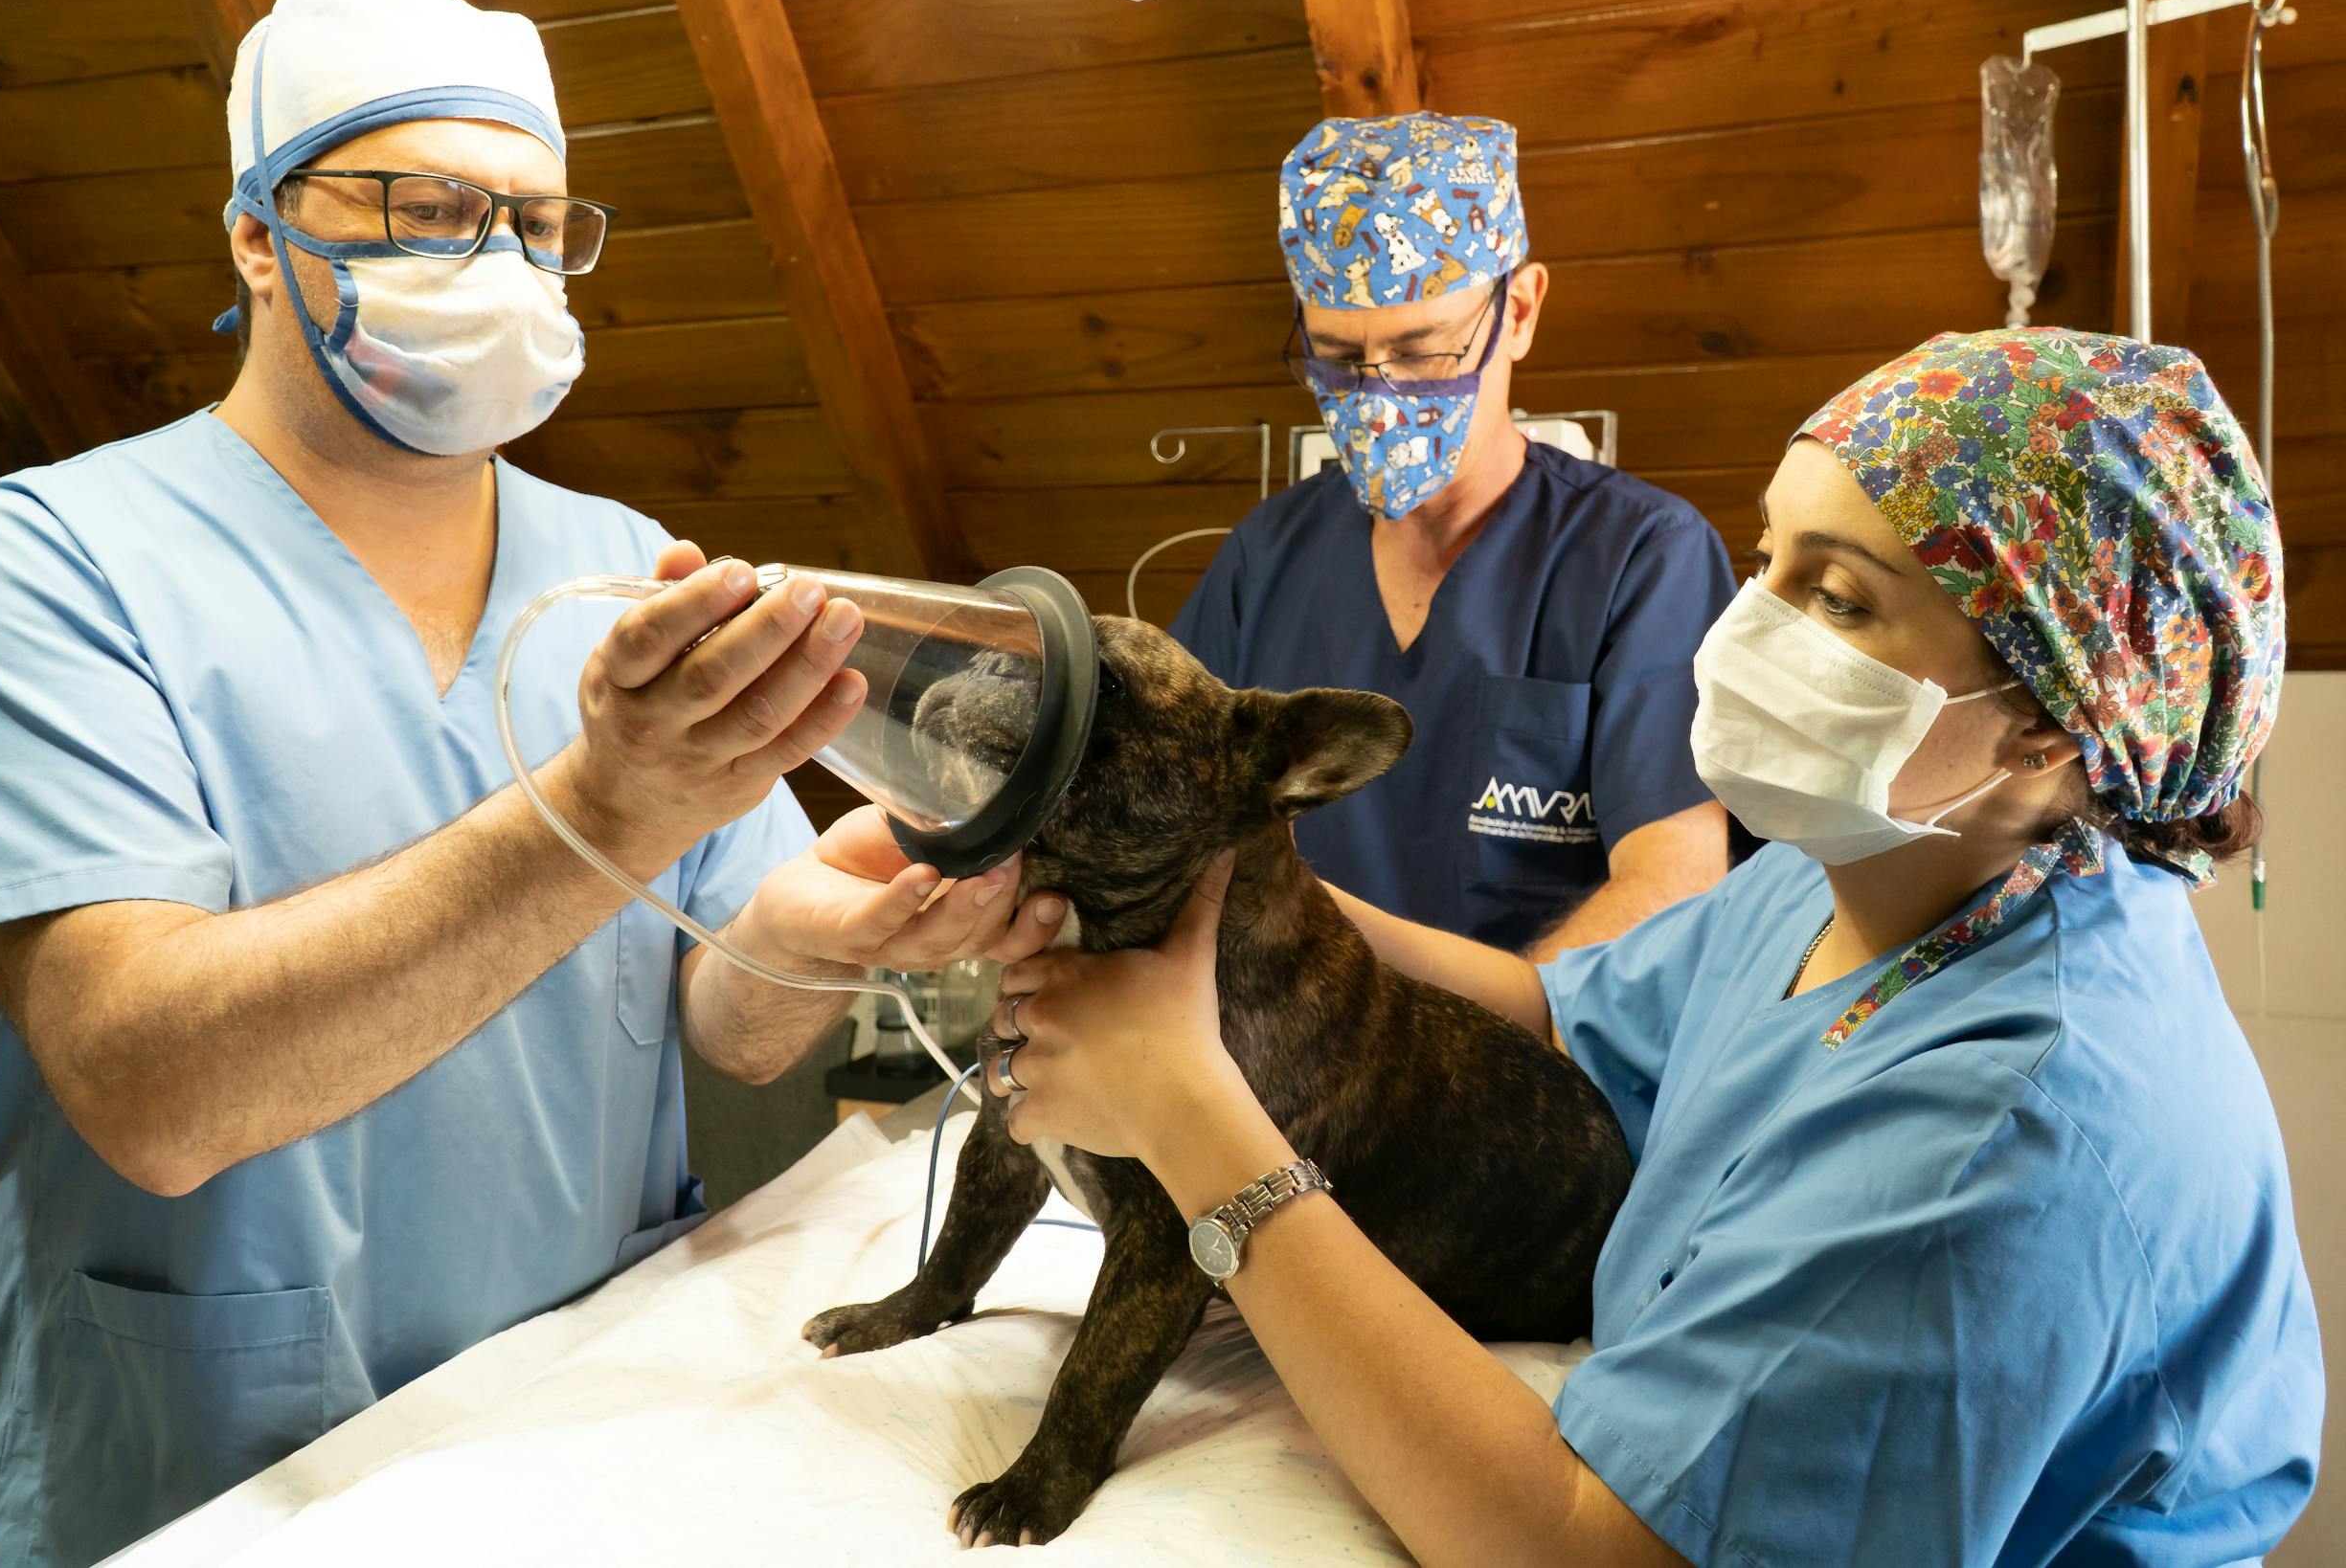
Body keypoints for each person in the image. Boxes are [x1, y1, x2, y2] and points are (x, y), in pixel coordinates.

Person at [0, 0, 1063, 1563]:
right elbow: (154, 1093)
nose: (497, 262)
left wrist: (819, 935)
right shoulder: (39, 568)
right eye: (427, 209)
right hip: (205, 1469)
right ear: (258, 231)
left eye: (533, 221)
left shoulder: (625, 569)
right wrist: (601, 809)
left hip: (560, 1429)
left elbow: (721, 1020)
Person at [988, 329, 2321, 1565]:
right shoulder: (1864, 872)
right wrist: (1220, 908)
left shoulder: (2003, 1135)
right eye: (1769, 560)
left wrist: (1196, 1118)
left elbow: (1587, 1548)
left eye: (1841, 600)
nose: (1746, 629)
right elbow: (1560, 1009)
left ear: (2051, 729)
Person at [1170, 113, 1736, 958]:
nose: (1378, 398)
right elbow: (1167, 813)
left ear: (1519, 312)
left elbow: (1673, 887)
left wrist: (1463, 1055)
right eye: (1336, 357)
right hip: (1281, 1069)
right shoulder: (1268, 559)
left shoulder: (1642, 559)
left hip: (1528, 1065)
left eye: (1424, 351)